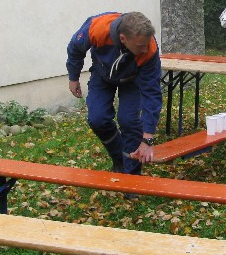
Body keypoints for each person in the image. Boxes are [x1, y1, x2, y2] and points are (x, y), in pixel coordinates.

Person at [66, 11, 162, 184]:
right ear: (123, 39)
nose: (145, 49)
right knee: (98, 118)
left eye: (147, 44)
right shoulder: (97, 28)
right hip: (102, 73)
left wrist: (147, 137)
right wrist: (74, 77)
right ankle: (119, 158)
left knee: (129, 121)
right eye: (140, 45)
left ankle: (131, 180)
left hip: (132, 79)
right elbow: (75, 48)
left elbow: (152, 92)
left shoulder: (150, 49)